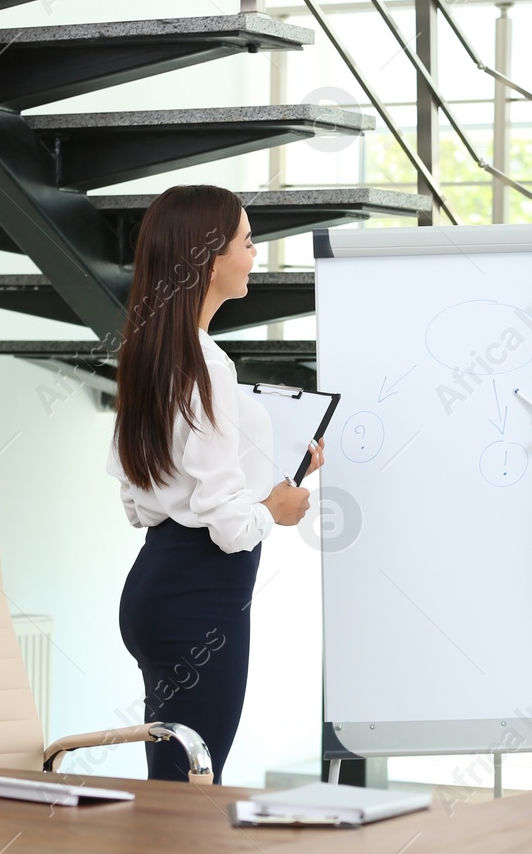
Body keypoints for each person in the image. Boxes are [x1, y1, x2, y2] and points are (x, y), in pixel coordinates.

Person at [108, 185, 321, 783]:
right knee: (188, 794)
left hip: (156, 586)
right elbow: (229, 526)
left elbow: (139, 497)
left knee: (173, 786)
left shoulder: (150, 351)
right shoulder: (207, 363)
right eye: (248, 242)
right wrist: (276, 508)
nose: (255, 255)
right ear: (209, 258)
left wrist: (275, 477)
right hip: (202, 599)